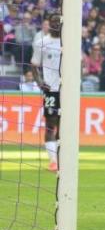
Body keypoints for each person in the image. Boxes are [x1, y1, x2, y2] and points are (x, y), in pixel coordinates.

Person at [31, 13, 62, 173]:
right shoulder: (41, 43)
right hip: (51, 90)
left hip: (66, 91)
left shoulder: (68, 42)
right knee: (51, 124)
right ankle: (53, 161)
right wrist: (40, 82)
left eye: (58, 20)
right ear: (48, 24)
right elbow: (34, 65)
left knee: (63, 127)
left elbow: (79, 64)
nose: (56, 23)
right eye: (53, 21)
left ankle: (62, 159)